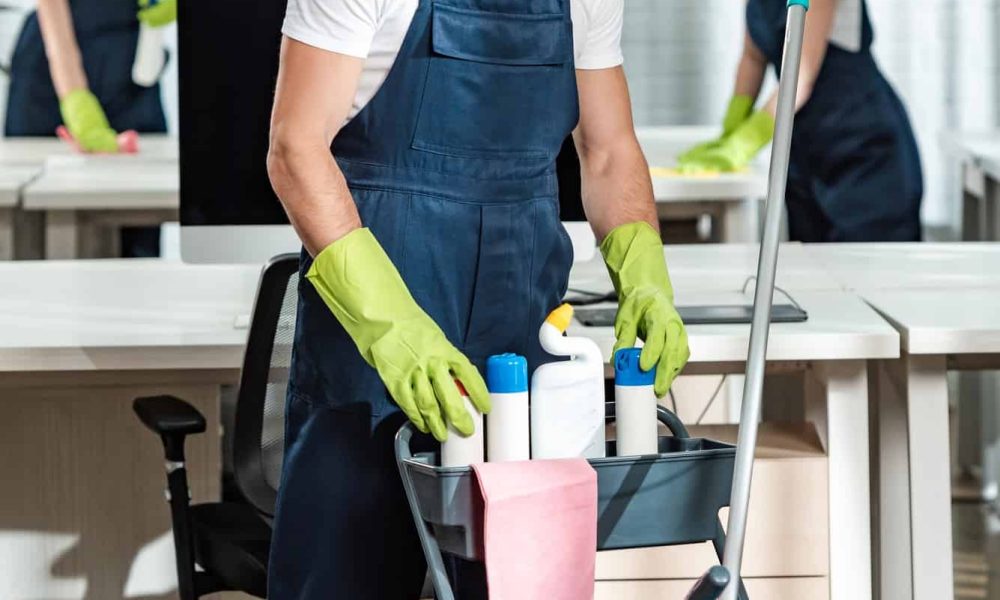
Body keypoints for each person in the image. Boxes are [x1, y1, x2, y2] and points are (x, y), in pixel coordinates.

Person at [265, 0, 690, 597]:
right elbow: (295, 149)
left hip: (520, 333)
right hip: (375, 337)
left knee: (516, 576)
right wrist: (395, 331)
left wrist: (643, 272)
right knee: (348, 571)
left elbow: (609, 149)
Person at [678, 0, 923, 242]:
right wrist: (731, 128)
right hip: (806, 151)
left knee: (865, 268)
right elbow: (752, 58)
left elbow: (800, 76)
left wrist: (744, 143)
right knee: (810, 268)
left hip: (864, 152)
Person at [4, 0, 175, 255]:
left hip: (132, 69)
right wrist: (76, 100)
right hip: (55, 74)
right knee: (43, 238)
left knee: (138, 241)